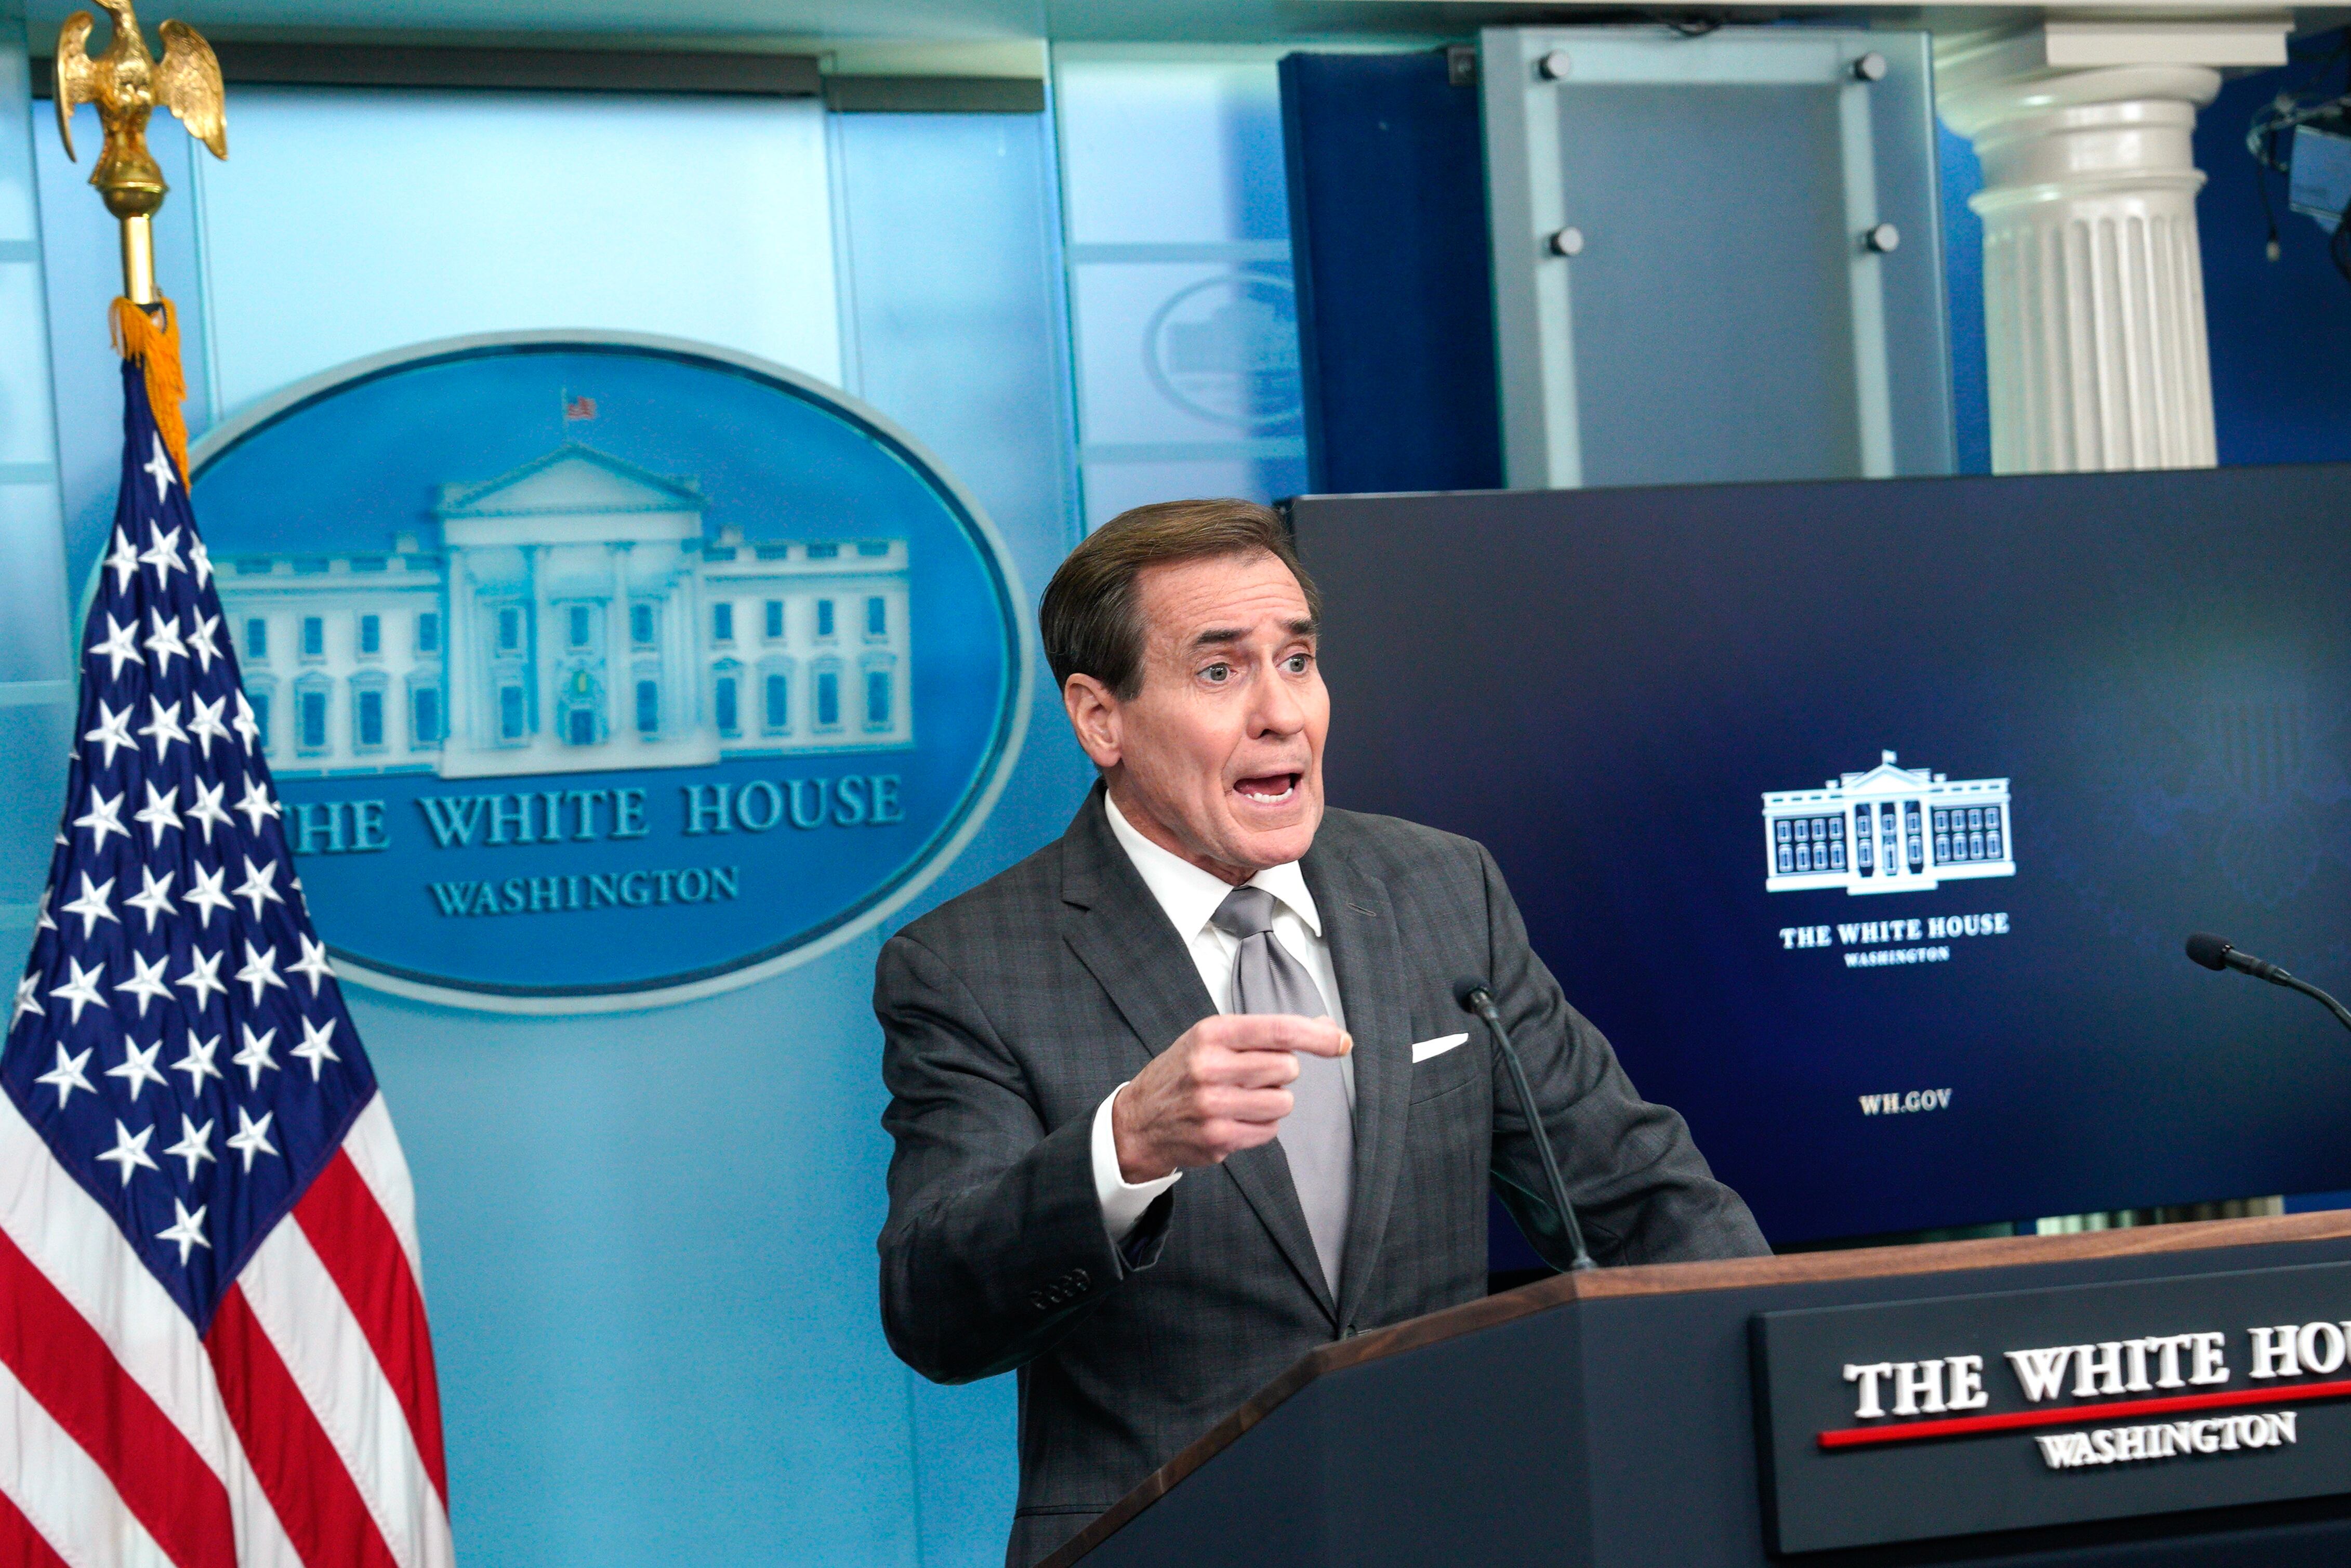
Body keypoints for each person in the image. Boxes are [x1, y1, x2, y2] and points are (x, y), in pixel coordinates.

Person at [876, 498, 1765, 1566]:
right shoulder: (968, 967)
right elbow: (935, 1312)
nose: (1281, 714)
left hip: (1452, 1535)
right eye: (1220, 671)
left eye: (1297, 660)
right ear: (1101, 718)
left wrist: (1793, 1368)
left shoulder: (1442, 889)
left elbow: (1640, 1196)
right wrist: (1124, 1149)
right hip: (1167, 1544)